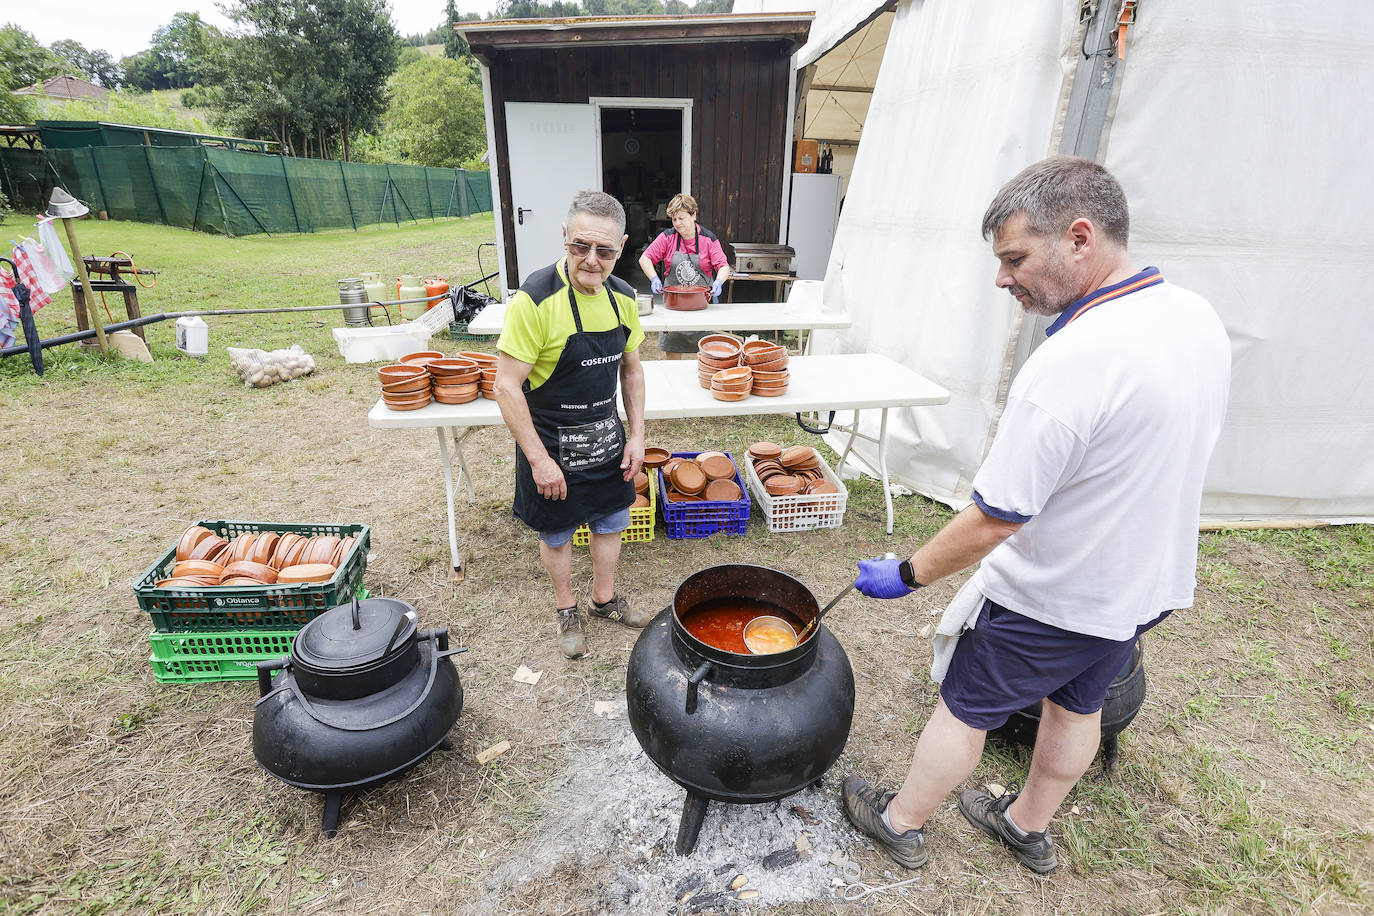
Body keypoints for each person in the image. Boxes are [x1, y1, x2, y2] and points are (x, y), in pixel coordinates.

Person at [841, 156, 1231, 874]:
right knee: (1077, 706)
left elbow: (997, 517)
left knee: (967, 708)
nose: (1002, 278)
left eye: (1015, 257)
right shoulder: (1194, 315)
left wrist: (907, 572)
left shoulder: (1074, 361)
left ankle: (900, 821)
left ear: (1079, 237)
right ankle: (1026, 825)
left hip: (1058, 593)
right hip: (1141, 585)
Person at [494, 190, 653, 659]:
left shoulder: (624, 298)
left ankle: (604, 599)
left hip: (606, 438)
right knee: (558, 533)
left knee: (611, 522)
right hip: (552, 446)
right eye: (580, 245)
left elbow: (632, 369)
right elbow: (506, 386)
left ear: (621, 247)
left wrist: (638, 435)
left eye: (604, 251)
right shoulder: (535, 301)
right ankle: (567, 608)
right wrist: (539, 461)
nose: (591, 260)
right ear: (564, 237)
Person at [637, 192, 732, 359]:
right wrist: (654, 278)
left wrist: (719, 282)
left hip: (702, 305)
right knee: (673, 353)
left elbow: (723, 266)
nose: (677, 224)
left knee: (705, 355)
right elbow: (645, 258)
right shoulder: (667, 237)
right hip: (674, 305)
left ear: (693, 215)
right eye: (674, 219)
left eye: (681, 218)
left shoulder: (708, 239)